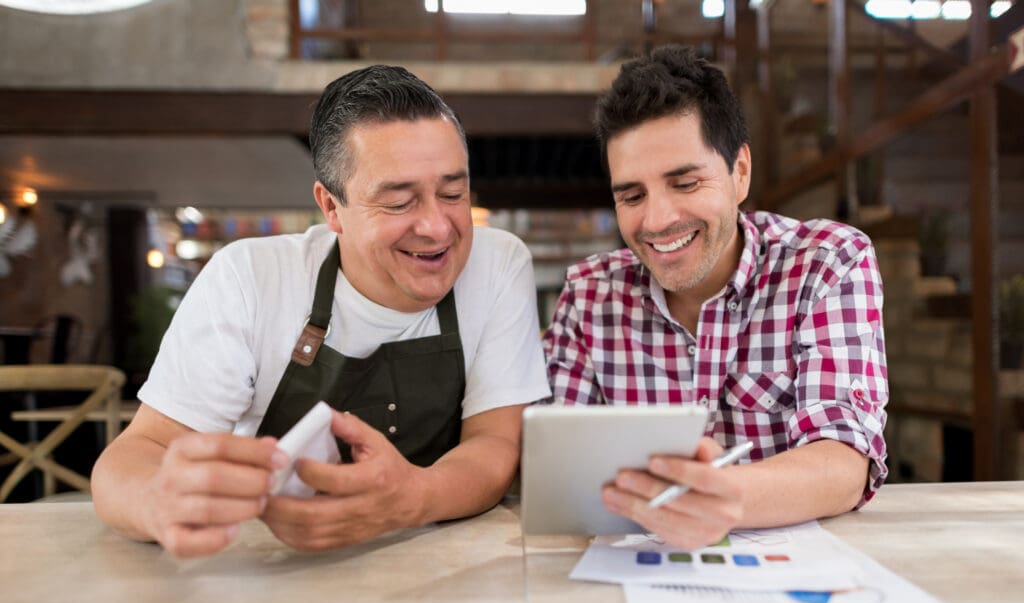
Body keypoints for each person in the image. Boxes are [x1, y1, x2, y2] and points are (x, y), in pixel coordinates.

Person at [93, 65, 551, 558]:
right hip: (276, 571)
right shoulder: (249, 279)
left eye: (453, 194)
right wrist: (157, 502)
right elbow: (138, 453)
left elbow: (494, 446)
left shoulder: (498, 264)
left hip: (442, 569)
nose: (438, 229)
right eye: (399, 202)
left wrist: (411, 499)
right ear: (331, 207)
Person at [543, 45, 888, 549]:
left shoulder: (827, 263)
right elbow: (560, 476)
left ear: (739, 172)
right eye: (632, 196)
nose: (658, 221)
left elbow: (844, 460)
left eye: (685, 183)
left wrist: (725, 498)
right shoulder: (589, 296)